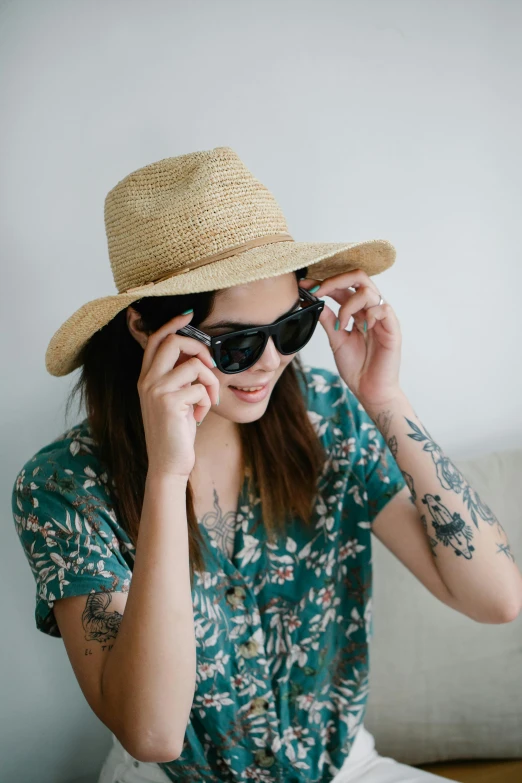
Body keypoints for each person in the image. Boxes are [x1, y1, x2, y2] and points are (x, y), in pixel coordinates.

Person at [12, 147, 465, 782]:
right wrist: (168, 475)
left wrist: (386, 400)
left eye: (292, 328)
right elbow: (153, 733)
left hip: (343, 770)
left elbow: (495, 600)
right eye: (237, 342)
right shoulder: (62, 487)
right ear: (145, 327)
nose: (270, 363)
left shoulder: (327, 418)